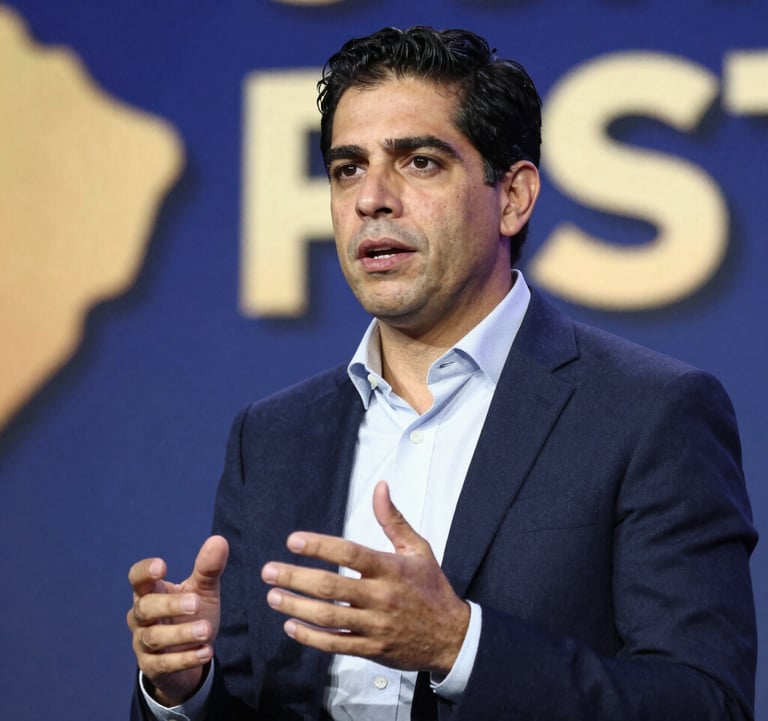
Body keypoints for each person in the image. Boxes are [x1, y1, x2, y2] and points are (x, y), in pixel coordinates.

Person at [127, 26, 757, 721]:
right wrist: (183, 690)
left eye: (419, 162)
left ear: (512, 197)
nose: (372, 199)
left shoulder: (649, 412)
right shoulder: (272, 437)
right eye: (347, 169)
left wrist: (461, 644)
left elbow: (705, 702)